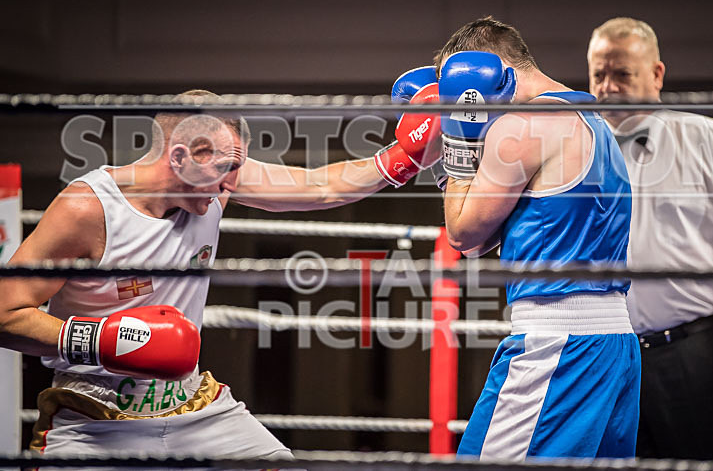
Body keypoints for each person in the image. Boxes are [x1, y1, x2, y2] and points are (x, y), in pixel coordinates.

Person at [0, 83, 441, 459]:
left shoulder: (212, 183)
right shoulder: (88, 209)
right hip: (93, 418)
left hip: (193, 406)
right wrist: (101, 341)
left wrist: (405, 155)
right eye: (225, 169)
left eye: (236, 168)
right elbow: (5, 313)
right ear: (179, 158)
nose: (232, 185)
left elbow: (321, 187)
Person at [586, 17, 713, 461]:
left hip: (693, 352)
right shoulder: (575, 150)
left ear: (657, 75)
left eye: (622, 73)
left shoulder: (709, 140)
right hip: (605, 353)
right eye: (598, 74)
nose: (608, 87)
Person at [434, 16, 639, 461]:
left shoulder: (522, 125)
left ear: (492, 74)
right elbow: (483, 240)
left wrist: (457, 141)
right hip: (615, 344)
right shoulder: (592, 121)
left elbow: (461, 232)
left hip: (557, 344)